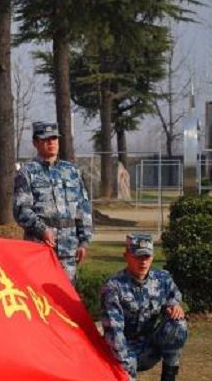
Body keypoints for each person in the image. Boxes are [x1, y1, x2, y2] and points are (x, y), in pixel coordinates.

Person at [13, 121, 92, 284]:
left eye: (54, 138)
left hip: (69, 250)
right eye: (46, 139)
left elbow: (83, 207)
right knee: (39, 296)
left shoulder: (71, 171)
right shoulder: (27, 172)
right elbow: (21, 209)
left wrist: (84, 240)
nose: (51, 143)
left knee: (65, 298)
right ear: (35, 142)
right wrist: (42, 230)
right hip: (41, 247)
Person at [100, 234, 187, 381]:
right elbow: (115, 334)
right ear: (126, 256)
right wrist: (127, 364)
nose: (143, 262)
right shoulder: (113, 287)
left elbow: (175, 294)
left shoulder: (162, 278)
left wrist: (174, 305)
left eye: (147, 257)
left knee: (179, 324)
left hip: (148, 346)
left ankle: (169, 377)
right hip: (120, 352)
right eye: (138, 257)